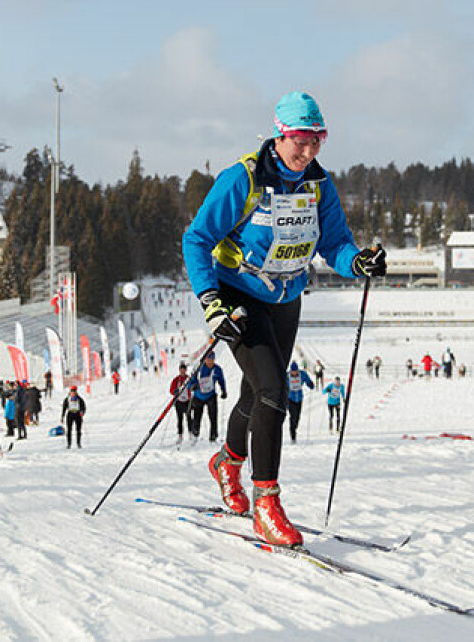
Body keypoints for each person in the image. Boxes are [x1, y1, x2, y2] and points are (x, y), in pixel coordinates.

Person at [182, 91, 386, 546]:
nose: (309, 151)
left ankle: (225, 465)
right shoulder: (243, 179)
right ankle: (266, 503)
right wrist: (211, 301)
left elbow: (335, 243)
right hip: (238, 295)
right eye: (300, 140)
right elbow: (196, 239)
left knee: (256, 394)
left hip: (286, 297)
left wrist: (358, 263)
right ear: (279, 134)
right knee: (274, 390)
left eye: (318, 140)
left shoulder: (318, 185)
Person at [190, 351, 227, 442]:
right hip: (198, 396)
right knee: (197, 417)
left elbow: (221, 380)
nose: (210, 362)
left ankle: (213, 437)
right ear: (205, 359)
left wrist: (223, 390)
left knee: (213, 417)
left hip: (211, 396)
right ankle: (195, 435)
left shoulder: (217, 369)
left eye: (212, 360)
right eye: (208, 360)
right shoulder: (199, 368)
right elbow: (191, 380)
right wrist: (192, 386)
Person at [285, 361, 314, 443]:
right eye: (293, 371)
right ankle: (293, 435)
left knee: (297, 417)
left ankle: (294, 429)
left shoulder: (302, 374)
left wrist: (310, 384)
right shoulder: (287, 376)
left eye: (295, 371)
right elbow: (283, 385)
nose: (294, 373)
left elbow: (307, 380)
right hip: (290, 399)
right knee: (293, 416)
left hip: (299, 398)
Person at [169, 363, 194, 443]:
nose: (182, 371)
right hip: (179, 402)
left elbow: (193, 386)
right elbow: (171, 390)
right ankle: (180, 435)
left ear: (185, 370)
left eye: (184, 369)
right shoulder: (176, 380)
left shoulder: (188, 378)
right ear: (179, 370)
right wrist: (174, 392)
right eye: (181, 370)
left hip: (187, 401)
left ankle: (191, 434)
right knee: (180, 419)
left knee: (189, 418)